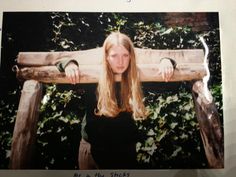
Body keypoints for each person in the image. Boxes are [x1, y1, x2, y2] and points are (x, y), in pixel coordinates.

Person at [56, 32, 175, 169]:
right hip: (93, 150)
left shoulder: (137, 77)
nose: (120, 62)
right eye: (114, 56)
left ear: (131, 56)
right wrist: (69, 64)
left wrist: (167, 61)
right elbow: (61, 84)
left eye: (125, 55)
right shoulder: (92, 77)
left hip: (124, 151)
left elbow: (170, 86)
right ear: (106, 57)